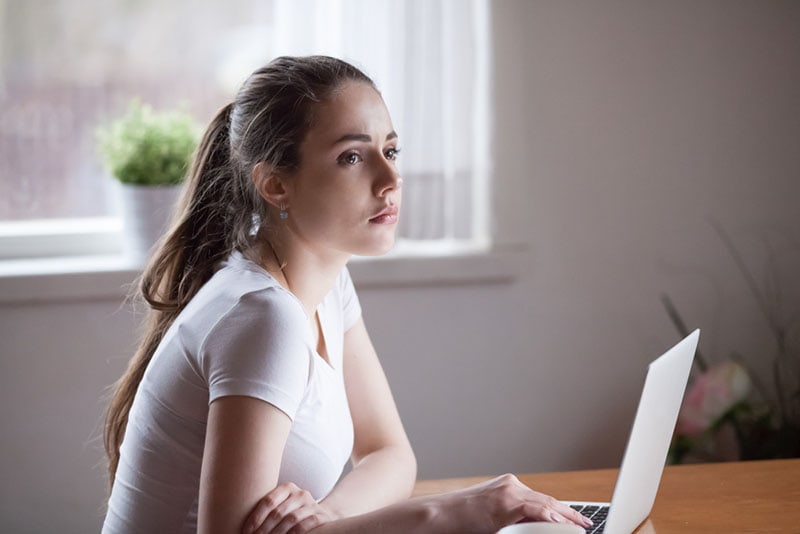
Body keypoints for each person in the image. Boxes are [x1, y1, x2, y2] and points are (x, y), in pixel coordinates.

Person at [102, 55, 593, 534]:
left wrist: (327, 518)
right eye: (352, 157)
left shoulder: (327, 283)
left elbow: (389, 453)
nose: (391, 178)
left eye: (391, 150)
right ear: (275, 184)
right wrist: (458, 512)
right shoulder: (263, 316)